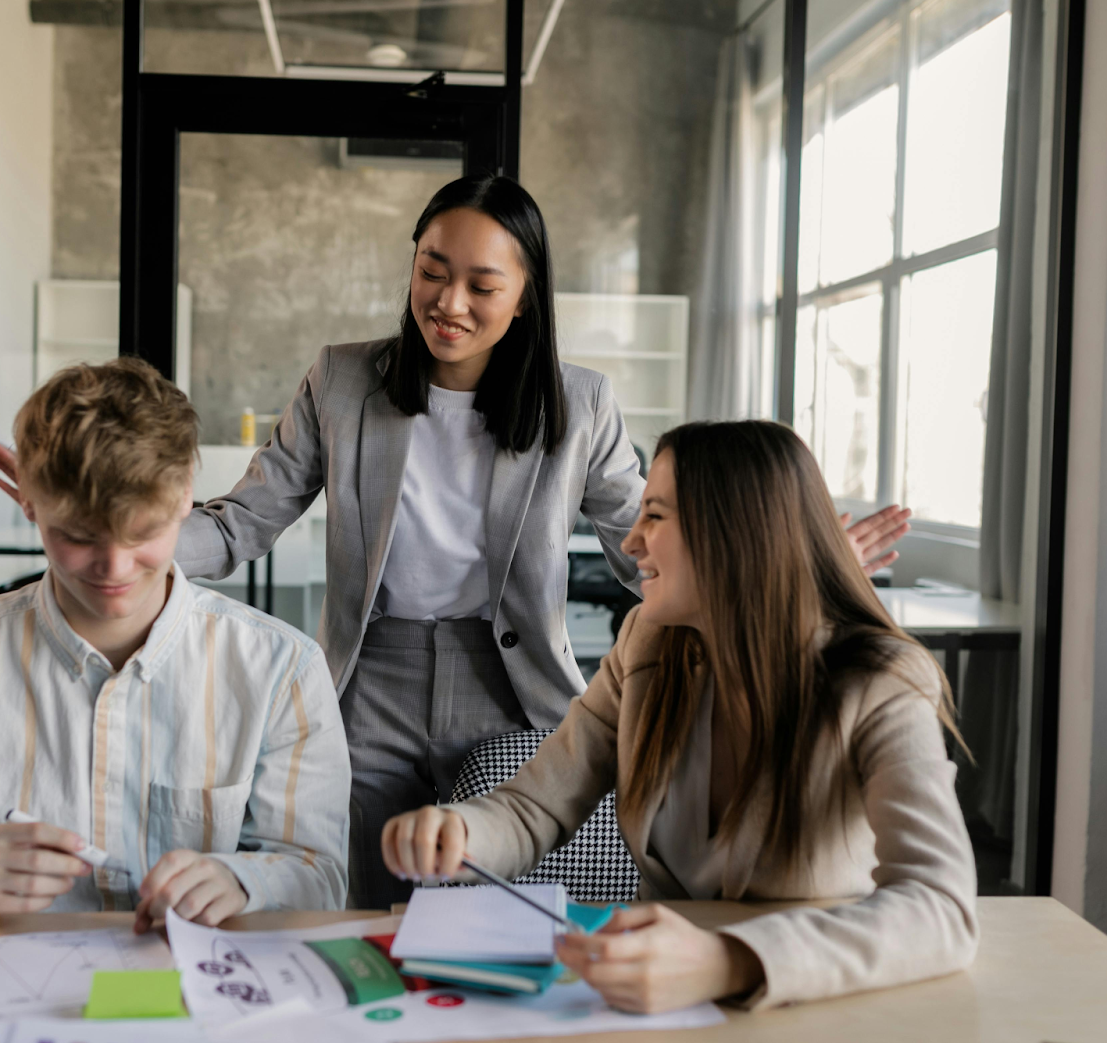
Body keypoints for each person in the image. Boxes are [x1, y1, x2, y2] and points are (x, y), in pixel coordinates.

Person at [0, 176, 910, 910]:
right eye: (433, 269)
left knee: (500, 908)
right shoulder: (344, 381)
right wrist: (111, 521)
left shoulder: (578, 403)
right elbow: (240, 524)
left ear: (524, 295)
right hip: (372, 675)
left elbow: (645, 540)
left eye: (482, 283)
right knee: (364, 892)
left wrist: (789, 552)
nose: (450, 301)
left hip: (513, 685)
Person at [381, 420, 977, 1011]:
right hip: (649, 1003)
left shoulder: (882, 681)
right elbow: (537, 805)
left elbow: (940, 906)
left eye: (656, 516)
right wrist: (459, 832)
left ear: (734, 535)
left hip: (803, 1005)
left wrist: (728, 961)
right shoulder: (648, 640)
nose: (632, 540)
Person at [0, 359, 349, 928]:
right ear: (27, 500)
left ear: (185, 495)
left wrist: (242, 881)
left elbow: (321, 876)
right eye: (78, 538)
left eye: (144, 534)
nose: (113, 568)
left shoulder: (282, 671)